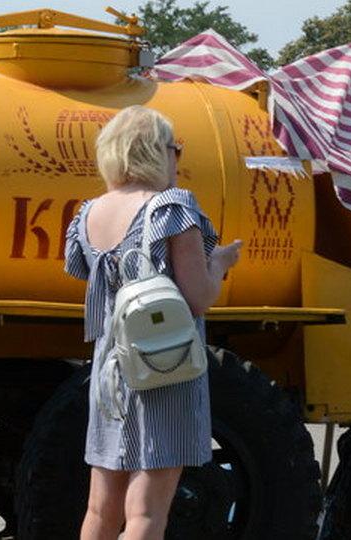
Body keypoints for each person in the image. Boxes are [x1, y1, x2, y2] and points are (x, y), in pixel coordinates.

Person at [63, 105, 242, 540]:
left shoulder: (89, 213)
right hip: (165, 365)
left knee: (100, 509)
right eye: (174, 148)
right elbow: (198, 297)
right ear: (154, 151)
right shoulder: (172, 207)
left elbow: (79, 270)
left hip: (111, 370)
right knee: (147, 512)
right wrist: (218, 264)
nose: (178, 158)